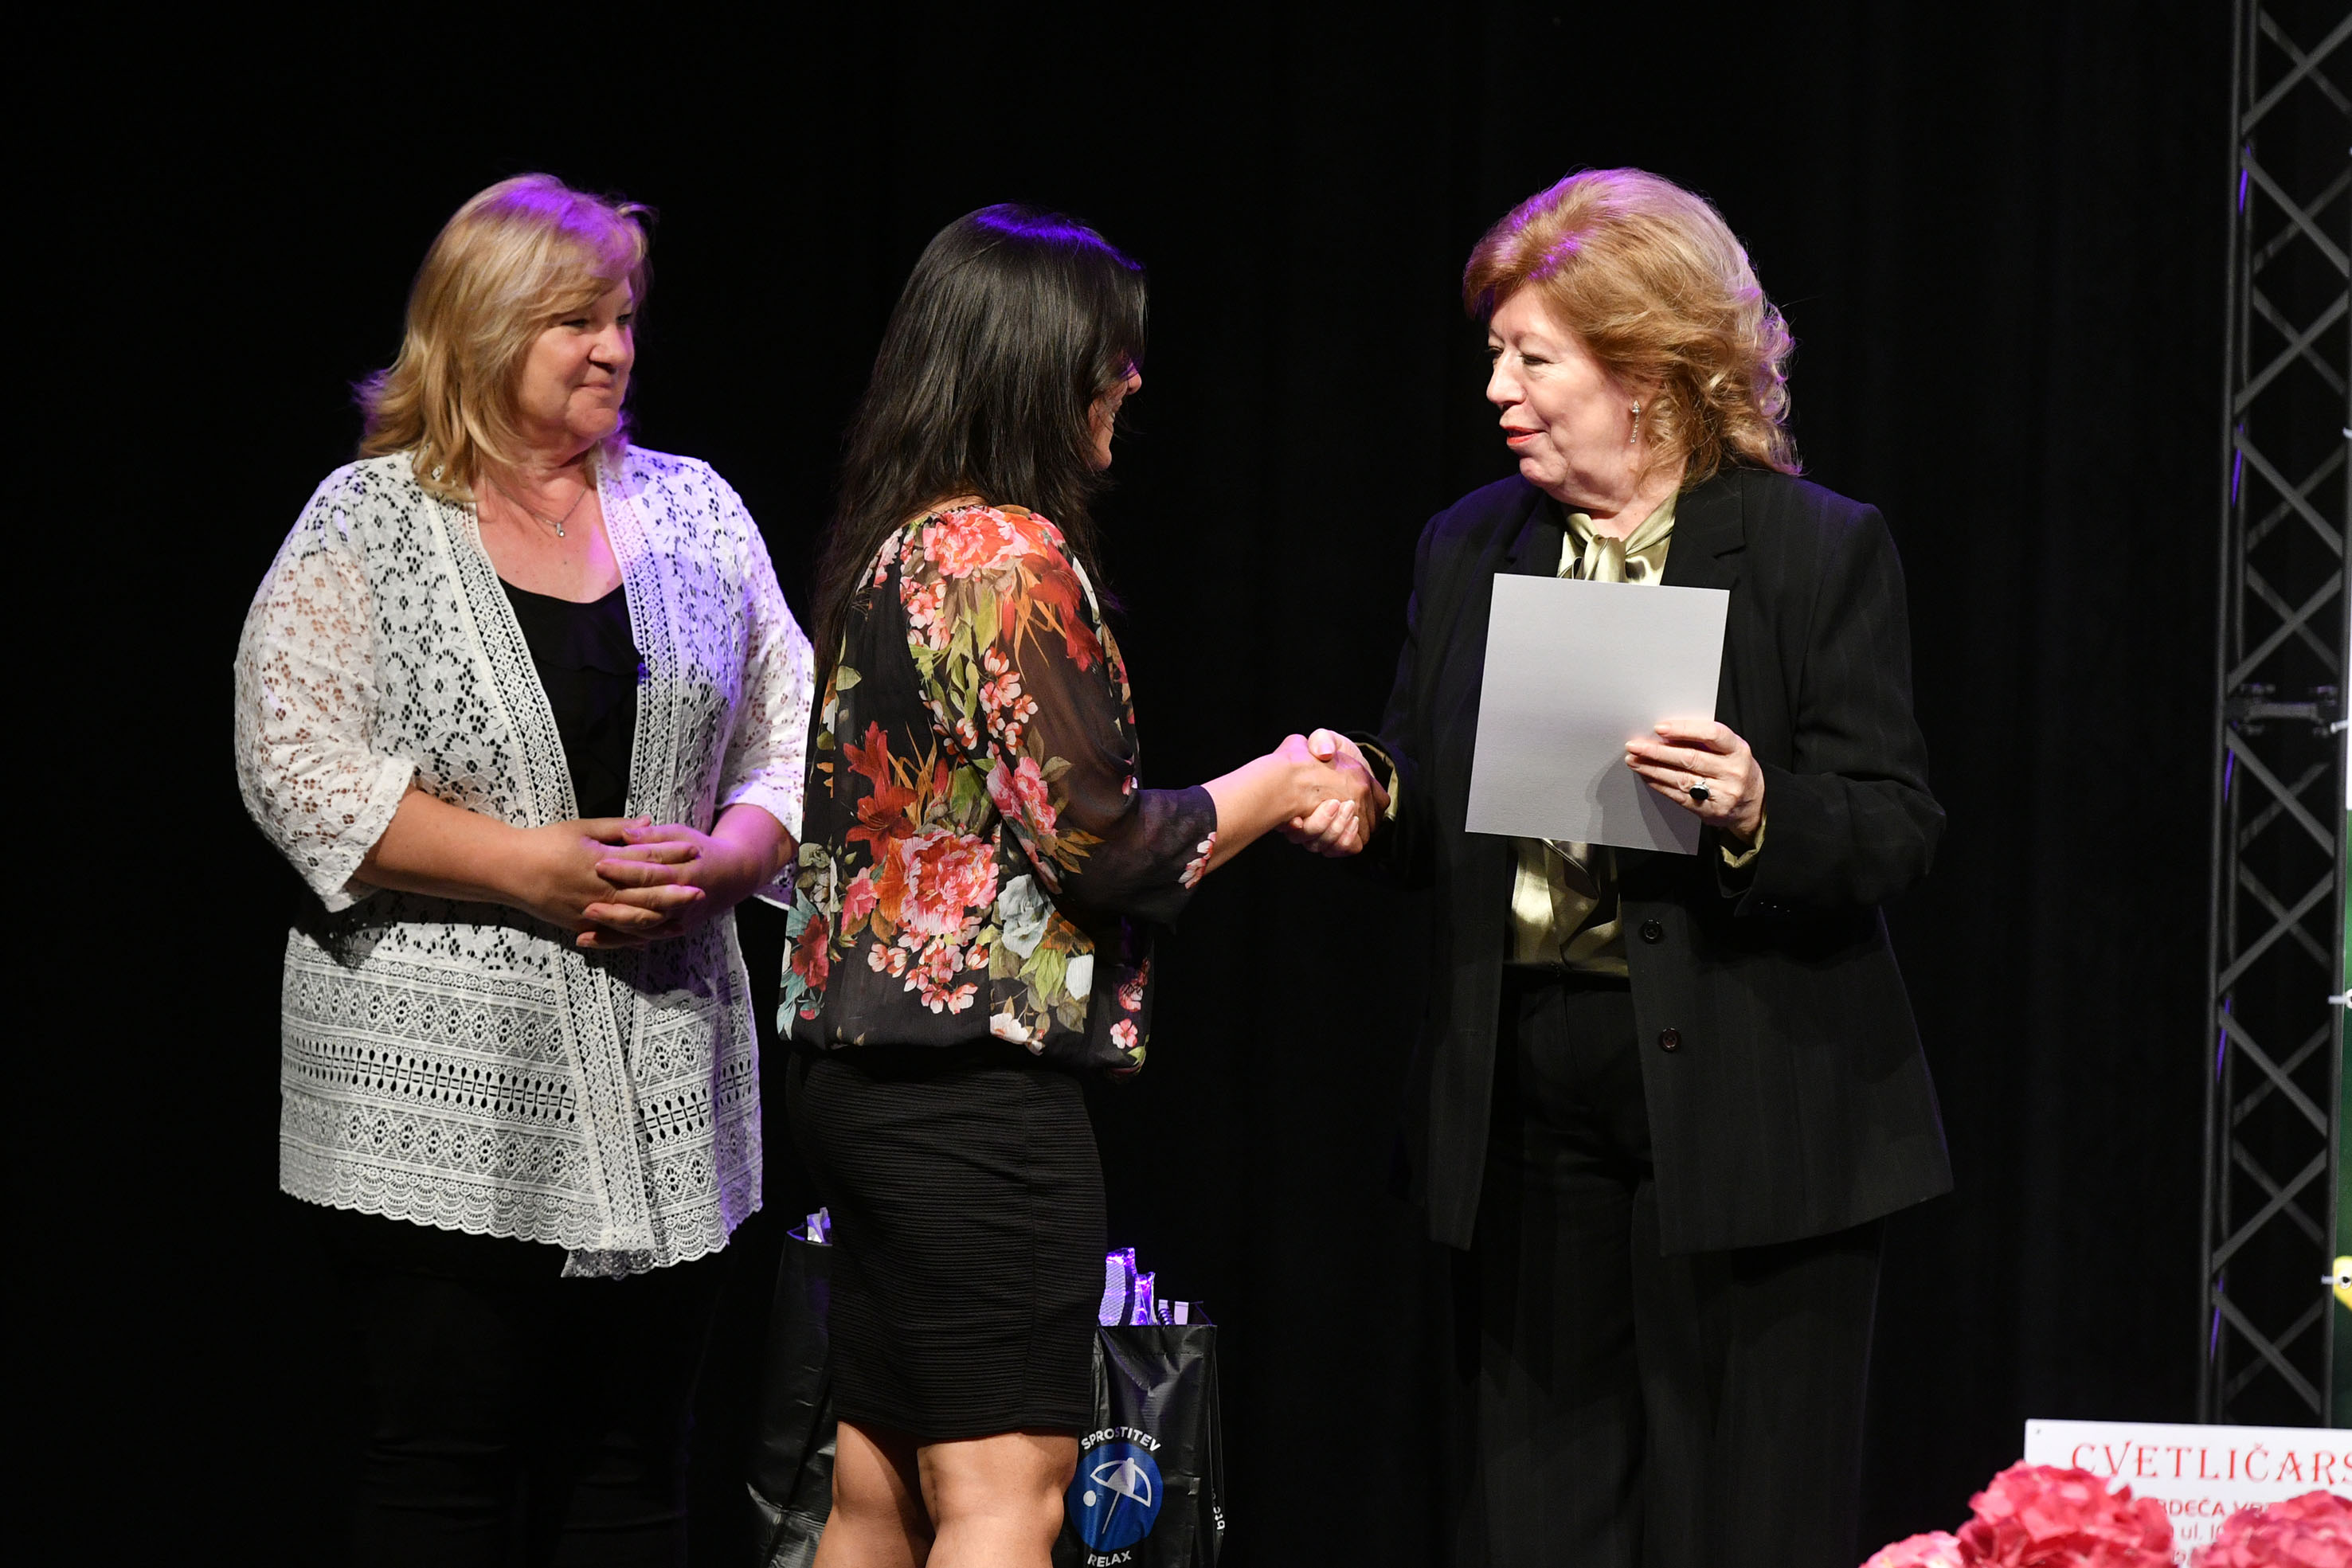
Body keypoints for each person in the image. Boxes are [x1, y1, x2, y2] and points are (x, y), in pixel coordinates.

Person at [1322, 169, 1951, 1567]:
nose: (1497, 388)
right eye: (1497, 352)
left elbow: (1894, 821)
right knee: (1534, 1529)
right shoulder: (1469, 545)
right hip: (1526, 1099)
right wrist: (1369, 794)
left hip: (1753, 1104)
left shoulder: (1810, 550)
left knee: (1747, 1524)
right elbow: (1430, 798)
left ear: (1649, 372)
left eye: (1532, 357)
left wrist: (1756, 805)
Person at [781, 205, 1379, 1568]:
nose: (1131, 379)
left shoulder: (898, 547)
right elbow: (1100, 841)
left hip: (859, 1086)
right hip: (968, 1099)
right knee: (1009, 1491)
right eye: (1112, 353)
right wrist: (1287, 779)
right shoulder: (1003, 556)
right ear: (1041, 364)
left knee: (878, 1487)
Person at [233, 174, 815, 1564]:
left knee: (634, 1472)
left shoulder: (694, 511)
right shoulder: (368, 518)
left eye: (624, 317)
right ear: (482, 328)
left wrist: (731, 858)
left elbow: (797, 734)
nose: (615, 348)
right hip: (434, 1081)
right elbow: (290, 760)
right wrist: (521, 868)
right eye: (575, 321)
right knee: (441, 1473)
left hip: (663, 1074)